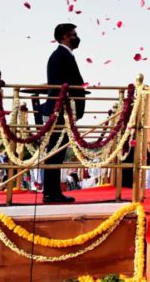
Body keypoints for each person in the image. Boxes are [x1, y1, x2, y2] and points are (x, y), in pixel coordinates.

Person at [41, 23, 87, 204]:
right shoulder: (60, 56)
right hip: (59, 109)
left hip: (63, 108)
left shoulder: (64, 55)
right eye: (73, 34)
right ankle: (51, 193)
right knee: (55, 151)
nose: (76, 37)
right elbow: (64, 83)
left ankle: (52, 192)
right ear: (64, 37)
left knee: (57, 151)